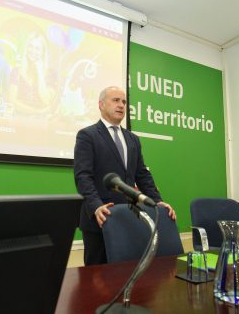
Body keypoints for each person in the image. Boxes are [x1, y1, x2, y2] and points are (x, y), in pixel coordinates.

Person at [73, 86, 176, 265]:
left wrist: (157, 201)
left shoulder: (133, 139)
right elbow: (83, 176)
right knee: (97, 277)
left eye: (124, 102)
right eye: (115, 100)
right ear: (101, 105)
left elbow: (142, 175)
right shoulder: (87, 135)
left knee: (123, 270)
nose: (121, 105)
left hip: (128, 217)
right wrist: (97, 206)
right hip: (101, 218)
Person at [9, 32, 57, 115]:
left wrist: (40, 73)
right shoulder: (16, 71)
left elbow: (47, 101)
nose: (32, 51)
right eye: (30, 46)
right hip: (19, 119)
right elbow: (11, 101)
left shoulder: (51, 74)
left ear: (43, 52)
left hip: (42, 124)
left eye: (37, 48)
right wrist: (37, 112)